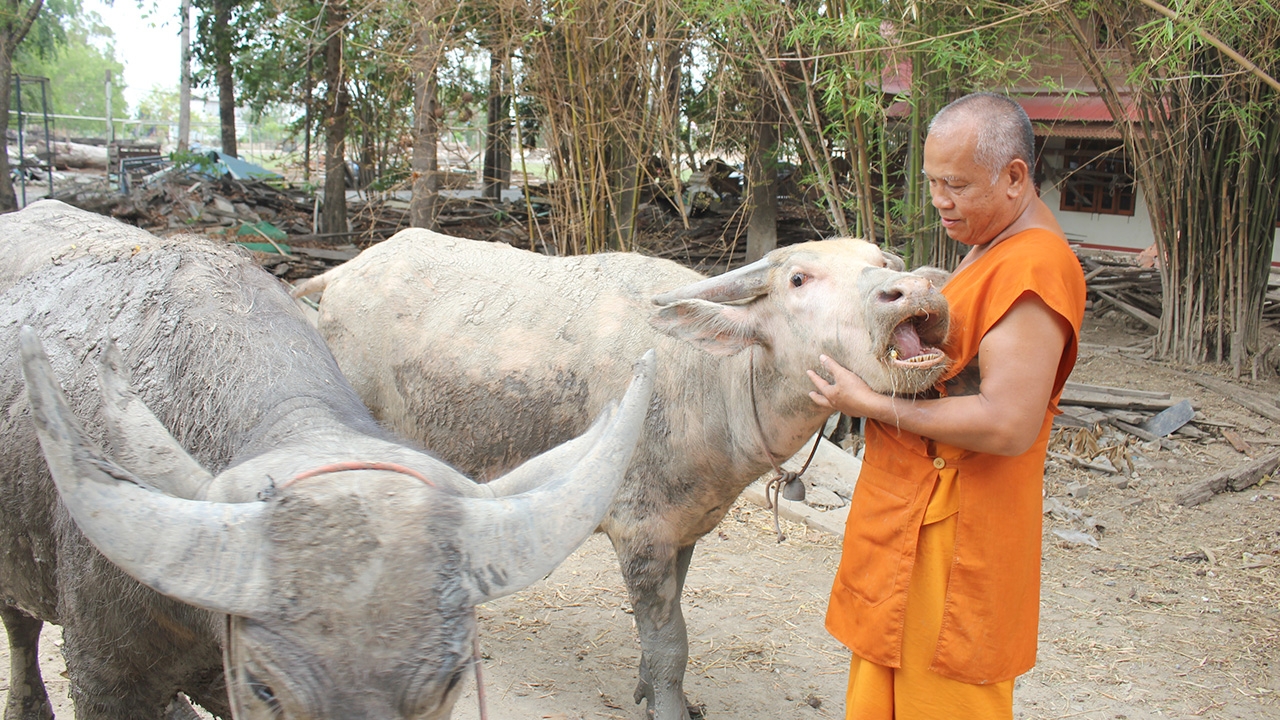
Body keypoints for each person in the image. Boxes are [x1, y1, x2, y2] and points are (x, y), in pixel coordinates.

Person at [807, 92, 1087, 719]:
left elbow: (1008, 423)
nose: (939, 199)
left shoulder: (1035, 269)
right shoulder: (991, 243)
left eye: (955, 184)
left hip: (954, 541)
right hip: (912, 518)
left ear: (1015, 177)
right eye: (933, 181)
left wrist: (872, 403)